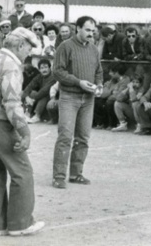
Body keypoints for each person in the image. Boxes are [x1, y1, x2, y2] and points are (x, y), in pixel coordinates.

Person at [0, 27, 45, 238]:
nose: (29, 53)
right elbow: (12, 102)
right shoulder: (12, 65)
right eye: (29, 48)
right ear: (20, 45)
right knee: (22, 172)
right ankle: (20, 224)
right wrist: (24, 131)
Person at [52, 16, 103, 189]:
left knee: (83, 137)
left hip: (88, 99)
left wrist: (100, 85)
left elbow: (98, 71)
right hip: (69, 97)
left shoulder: (94, 49)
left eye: (93, 30)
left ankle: (76, 173)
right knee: (65, 137)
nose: (91, 33)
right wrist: (78, 82)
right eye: (87, 30)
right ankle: (59, 176)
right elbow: (58, 71)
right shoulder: (65, 47)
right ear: (78, 28)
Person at [22, 58, 57, 124]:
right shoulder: (39, 77)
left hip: (50, 102)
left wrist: (32, 99)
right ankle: (27, 114)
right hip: (40, 102)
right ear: (39, 70)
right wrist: (27, 97)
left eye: (46, 67)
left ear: (50, 68)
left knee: (44, 95)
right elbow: (29, 87)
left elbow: (44, 91)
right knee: (32, 92)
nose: (44, 70)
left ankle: (37, 116)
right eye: (42, 68)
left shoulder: (53, 77)